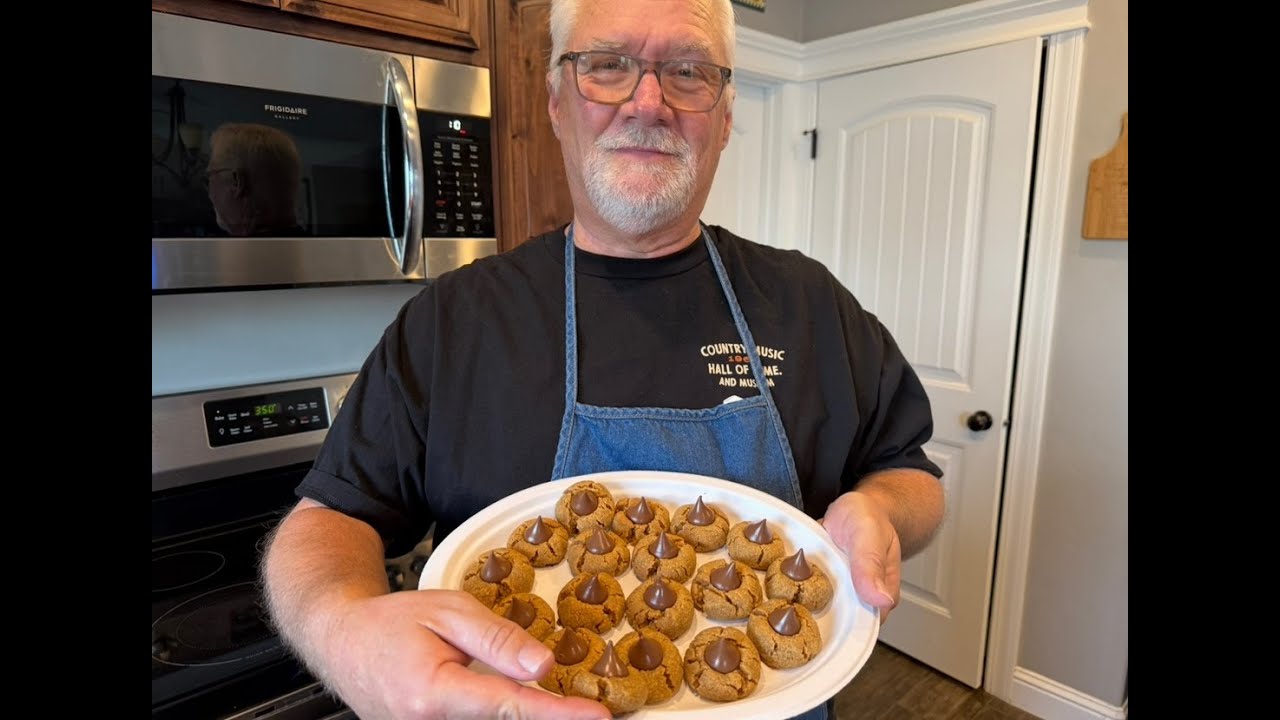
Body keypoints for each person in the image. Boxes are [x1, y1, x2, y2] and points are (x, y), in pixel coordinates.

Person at [260, 1, 946, 718]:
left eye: (687, 71)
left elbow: (911, 474)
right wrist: (341, 632)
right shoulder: (454, 319)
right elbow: (329, 517)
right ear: (558, 101)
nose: (648, 101)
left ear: (725, 114)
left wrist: (878, 510)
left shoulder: (809, 303)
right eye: (608, 65)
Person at [205, 122, 307, 236]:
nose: (209, 192)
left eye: (210, 176)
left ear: (236, 182)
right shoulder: (317, 249)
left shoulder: (230, 252)